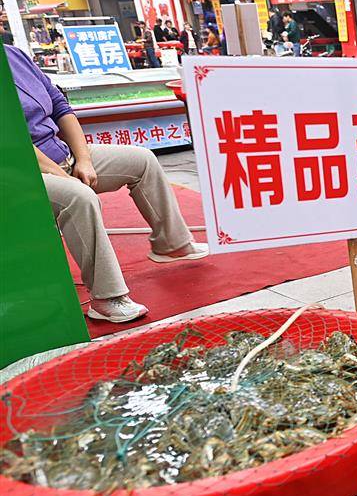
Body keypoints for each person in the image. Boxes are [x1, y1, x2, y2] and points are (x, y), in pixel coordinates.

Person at [4, 44, 207, 323]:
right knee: (79, 197)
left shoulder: (14, 55)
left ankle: (171, 244)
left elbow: (60, 106)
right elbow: (11, 138)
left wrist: (83, 159)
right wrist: (63, 176)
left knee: (142, 160)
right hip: (18, 173)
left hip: (61, 154)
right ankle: (106, 298)